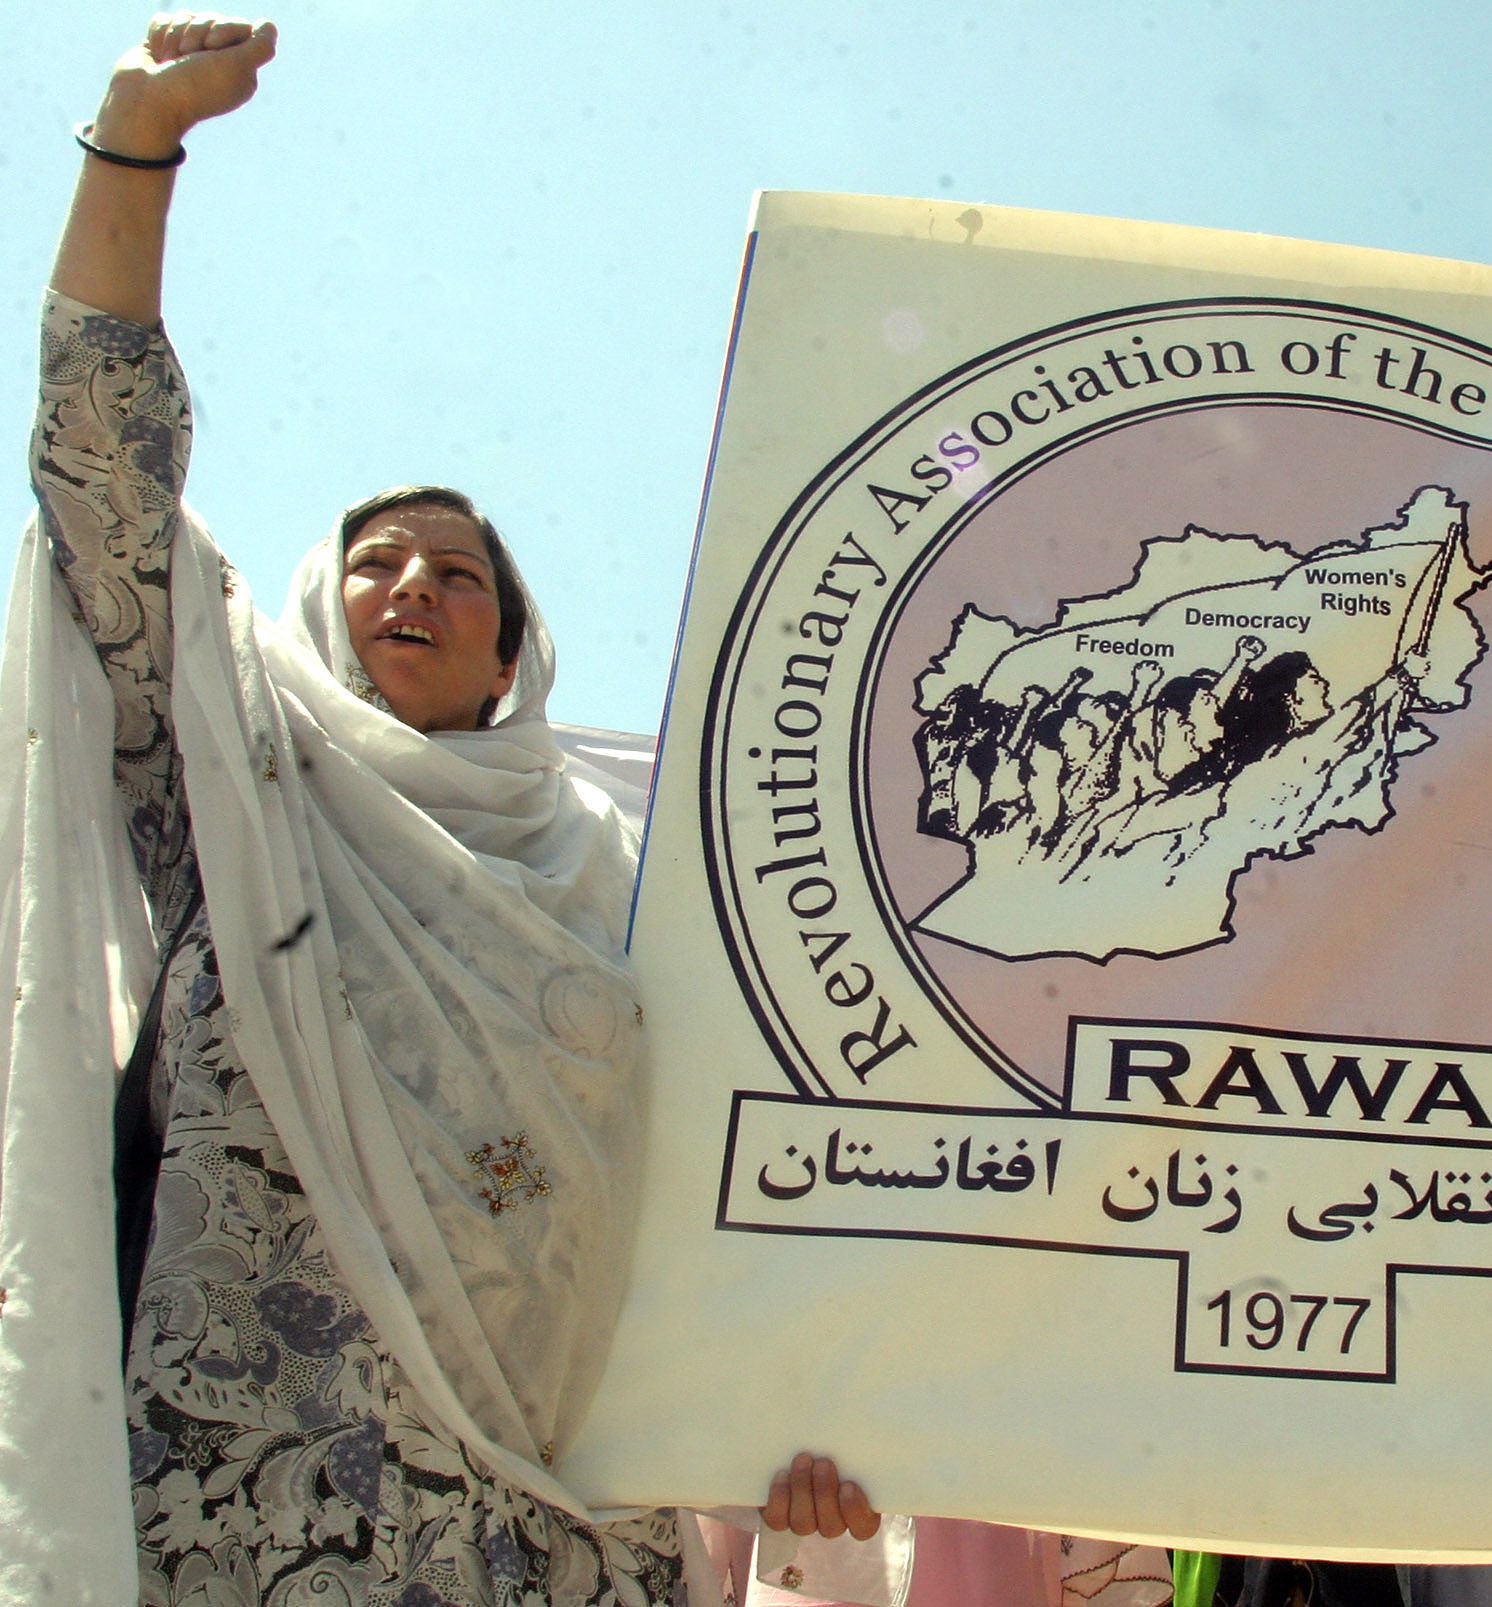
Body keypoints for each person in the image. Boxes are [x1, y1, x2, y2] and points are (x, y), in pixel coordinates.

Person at [0, 14, 876, 1604]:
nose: (415, 583)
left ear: (511, 647)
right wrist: (136, 143)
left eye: (459, 572)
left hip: (550, 1532)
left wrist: (795, 1417)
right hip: (251, 1501)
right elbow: (104, 491)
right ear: (329, 613)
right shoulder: (241, 779)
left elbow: (750, 1163)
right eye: (380, 560)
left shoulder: (618, 885)